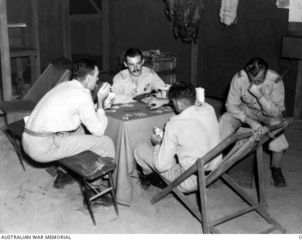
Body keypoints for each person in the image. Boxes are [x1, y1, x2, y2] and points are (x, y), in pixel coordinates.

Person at [22, 59, 115, 193]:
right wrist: (100, 101)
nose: (97, 80)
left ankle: (65, 173)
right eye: (96, 76)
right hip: (42, 147)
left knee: (79, 130)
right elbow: (99, 131)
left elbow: (72, 113)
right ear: (88, 78)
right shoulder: (82, 95)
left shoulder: (64, 85)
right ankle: (95, 190)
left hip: (29, 139)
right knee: (105, 142)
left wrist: (95, 107)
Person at [134, 82, 221, 192]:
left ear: (178, 104)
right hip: (214, 171)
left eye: (173, 102)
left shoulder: (174, 124)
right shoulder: (209, 108)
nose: (173, 104)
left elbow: (162, 166)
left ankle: (158, 182)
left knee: (140, 149)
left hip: (188, 181)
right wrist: (165, 101)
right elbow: (196, 102)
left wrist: (157, 145)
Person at [219, 57, 289, 187]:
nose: (256, 84)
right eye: (253, 80)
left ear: (266, 73)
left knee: (277, 124)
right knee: (225, 119)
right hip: (246, 111)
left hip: (267, 114)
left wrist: (259, 95)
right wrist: (249, 121)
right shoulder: (240, 77)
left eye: (260, 80)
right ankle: (217, 159)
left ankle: (276, 169)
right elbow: (230, 105)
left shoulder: (275, 80)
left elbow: (277, 111)